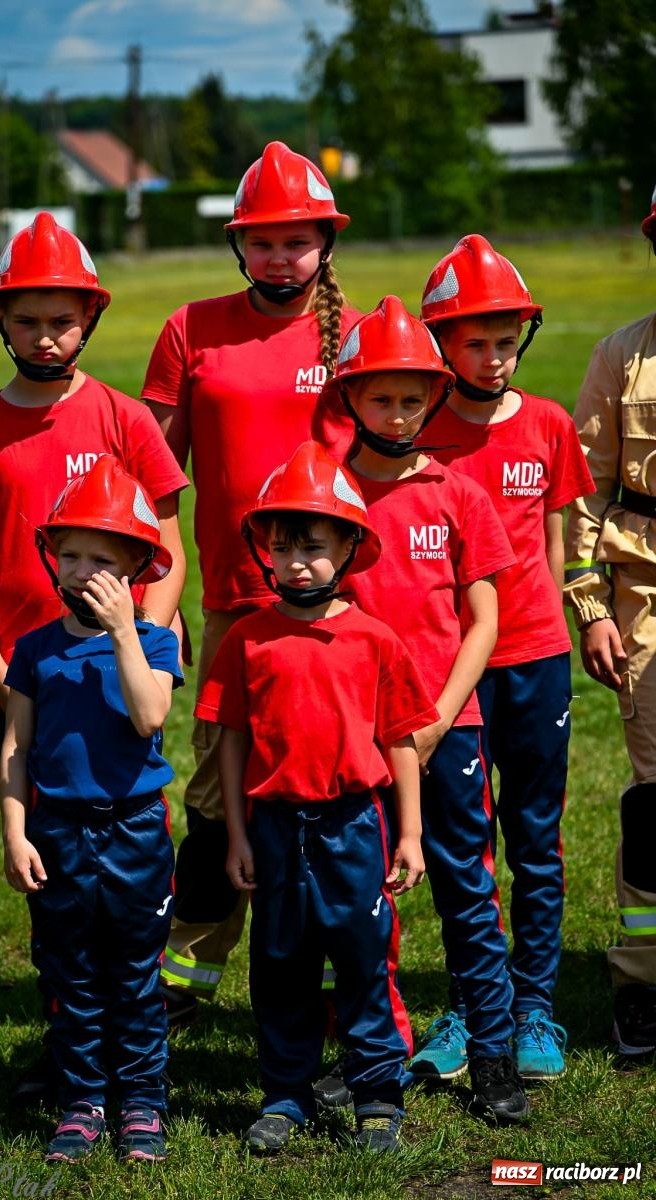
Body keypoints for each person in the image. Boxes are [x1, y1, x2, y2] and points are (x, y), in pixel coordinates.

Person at [0, 212, 188, 1101]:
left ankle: (135, 1060)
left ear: (91, 321)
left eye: (63, 319)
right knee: (51, 876)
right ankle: (70, 1055)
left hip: (118, 680)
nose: (46, 335)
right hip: (25, 686)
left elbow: (168, 544)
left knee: (127, 865)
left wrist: (144, 640)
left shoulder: (120, 415)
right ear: (0, 321)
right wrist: (3, 672)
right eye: (28, 318)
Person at [141, 142, 357, 1020]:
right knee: (211, 797)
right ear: (239, 247)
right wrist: (162, 603)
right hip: (234, 605)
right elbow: (151, 485)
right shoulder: (190, 329)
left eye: (296, 242)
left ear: (324, 245)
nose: (279, 258)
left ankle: (343, 979)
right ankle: (185, 979)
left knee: (337, 794)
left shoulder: (361, 332)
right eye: (262, 242)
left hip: (342, 610)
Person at [197, 441, 438, 1153]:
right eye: (280, 546)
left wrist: (410, 833)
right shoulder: (246, 639)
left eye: (313, 544)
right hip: (273, 829)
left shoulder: (374, 640)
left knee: (363, 961)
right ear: (262, 552)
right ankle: (283, 1095)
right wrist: (238, 836)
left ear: (350, 546)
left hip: (351, 828)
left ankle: (376, 1097)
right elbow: (231, 743)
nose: (295, 560)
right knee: (279, 965)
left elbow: (400, 741)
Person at [323, 295, 528, 1124]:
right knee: (360, 900)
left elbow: (484, 619)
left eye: (413, 397)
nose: (399, 413)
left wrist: (439, 714)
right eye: (380, 398)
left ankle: (493, 1057)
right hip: (352, 738)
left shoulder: (457, 493)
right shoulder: (324, 492)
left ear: (434, 398)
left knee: (467, 894)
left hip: (449, 732)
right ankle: (373, 1055)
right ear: (348, 399)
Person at [417, 234, 595, 1081]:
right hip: (448, 670)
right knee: (460, 843)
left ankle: (534, 1009)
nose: (492, 358)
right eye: (473, 341)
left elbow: (554, 550)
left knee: (533, 836)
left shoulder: (550, 424)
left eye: (504, 339)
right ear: (439, 342)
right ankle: (469, 1004)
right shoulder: (418, 433)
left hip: (534, 661)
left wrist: (550, 631)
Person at [0, 456, 183, 1164]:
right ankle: (82, 1100)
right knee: (69, 972)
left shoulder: (155, 642)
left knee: (135, 974)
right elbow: (16, 747)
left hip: (134, 831)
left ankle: (141, 1102)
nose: (79, 571)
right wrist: (16, 833)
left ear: (137, 565)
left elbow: (147, 716)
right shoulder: (35, 650)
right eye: (68, 554)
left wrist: (123, 633)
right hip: (57, 831)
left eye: (100, 559)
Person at [562, 185, 656, 1061]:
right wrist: (590, 607)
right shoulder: (620, 356)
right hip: (645, 596)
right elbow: (584, 487)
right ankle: (641, 983)